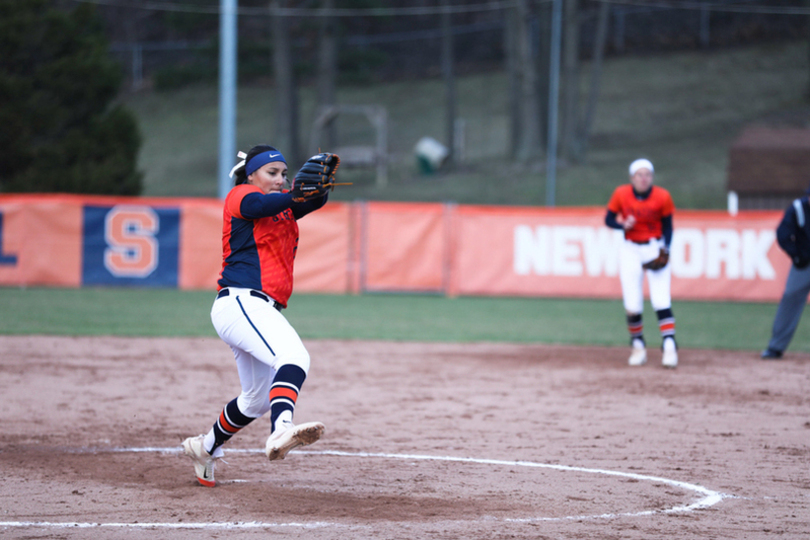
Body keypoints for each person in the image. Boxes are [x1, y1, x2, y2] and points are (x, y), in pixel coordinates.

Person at [182, 145, 336, 487]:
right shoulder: (241, 195)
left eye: (284, 174)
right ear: (251, 174)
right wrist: (296, 192)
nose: (280, 179)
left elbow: (308, 203)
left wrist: (319, 192)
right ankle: (280, 431)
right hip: (240, 302)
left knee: (256, 399)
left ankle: (204, 449)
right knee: (293, 356)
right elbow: (260, 204)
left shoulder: (283, 211)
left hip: (255, 308)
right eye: (272, 173)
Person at [605, 158, 678, 368]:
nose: (644, 178)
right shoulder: (621, 194)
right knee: (632, 303)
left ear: (652, 177)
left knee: (661, 299)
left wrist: (666, 250)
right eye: (640, 174)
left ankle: (669, 345)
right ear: (632, 178)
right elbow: (608, 219)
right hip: (630, 249)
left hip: (654, 247)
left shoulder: (662, 196)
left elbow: (668, 226)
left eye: (647, 174)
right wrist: (622, 224)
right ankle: (638, 345)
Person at [761, 189, 810, 360]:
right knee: (790, 298)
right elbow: (783, 234)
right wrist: (796, 255)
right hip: (804, 264)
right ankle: (776, 347)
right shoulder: (798, 208)